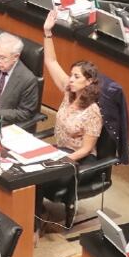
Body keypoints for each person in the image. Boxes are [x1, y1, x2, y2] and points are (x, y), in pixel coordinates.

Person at [42, 12, 102, 161]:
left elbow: (86, 149)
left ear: (88, 82)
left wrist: (62, 162)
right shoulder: (68, 91)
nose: (71, 80)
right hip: (60, 152)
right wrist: (47, 32)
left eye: (76, 77)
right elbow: (51, 61)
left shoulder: (92, 111)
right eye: (71, 75)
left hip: (79, 159)